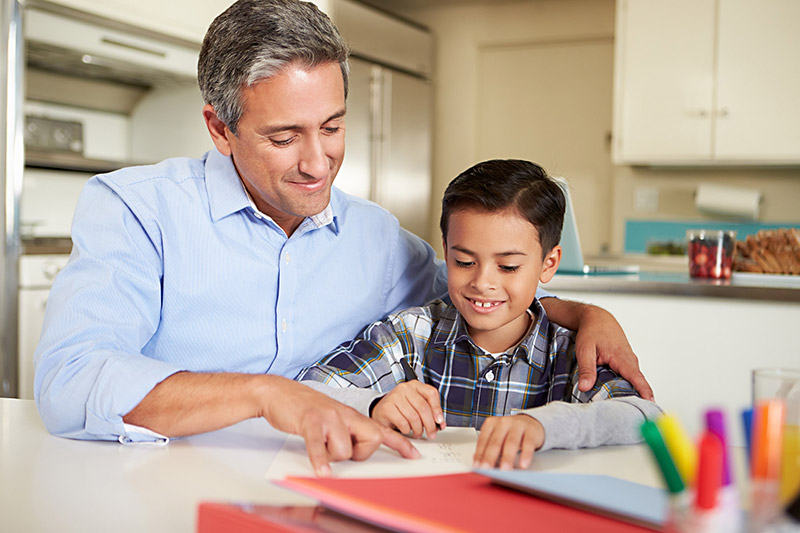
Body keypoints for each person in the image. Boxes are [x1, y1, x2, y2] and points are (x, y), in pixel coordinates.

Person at [34, 0, 651, 477]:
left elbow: (477, 293)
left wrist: (585, 313)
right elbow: (71, 380)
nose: (317, 162)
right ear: (220, 129)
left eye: (331, 127)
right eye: (284, 137)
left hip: (321, 482)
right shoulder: (136, 209)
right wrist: (265, 396)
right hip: (157, 483)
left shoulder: (375, 238)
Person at [299, 160, 662, 470]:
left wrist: (547, 425)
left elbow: (646, 418)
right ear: (446, 250)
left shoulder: (567, 352)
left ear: (548, 264)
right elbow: (305, 389)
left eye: (507, 267)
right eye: (464, 262)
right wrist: (374, 404)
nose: (482, 283)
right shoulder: (412, 335)